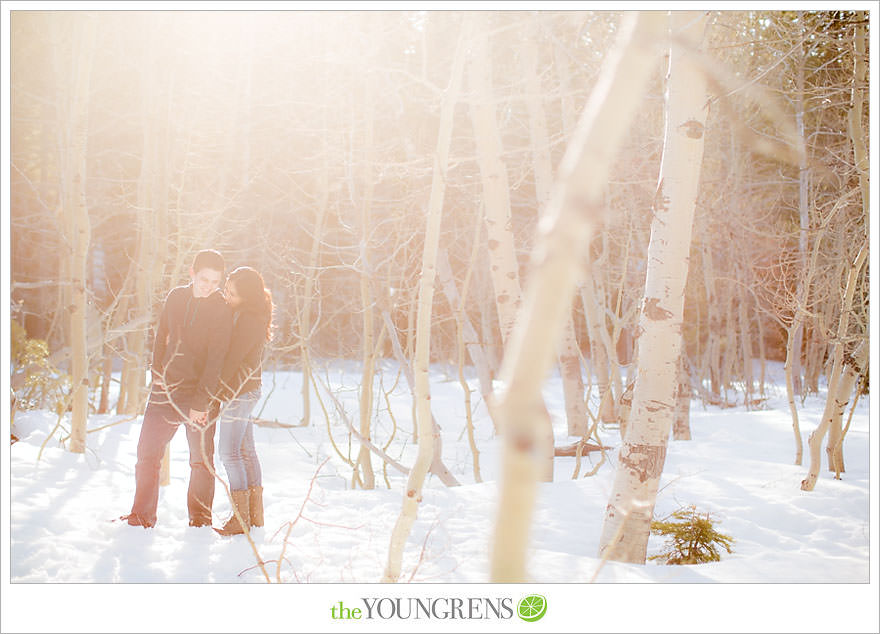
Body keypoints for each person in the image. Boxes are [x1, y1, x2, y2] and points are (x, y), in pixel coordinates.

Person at [122, 250, 232, 528]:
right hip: (165, 391)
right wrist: (157, 371)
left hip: (201, 394)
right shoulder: (176, 297)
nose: (208, 286)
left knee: (201, 461)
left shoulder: (222, 308)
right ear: (192, 273)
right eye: (204, 279)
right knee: (147, 453)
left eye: (215, 282)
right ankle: (141, 516)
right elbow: (161, 336)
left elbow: (216, 359)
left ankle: (200, 520)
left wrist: (201, 401)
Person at [214, 266, 273, 536]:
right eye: (226, 290)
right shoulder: (248, 314)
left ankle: (240, 519)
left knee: (229, 453)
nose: (227, 297)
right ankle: (254, 517)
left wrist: (218, 391)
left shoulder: (248, 319)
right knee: (246, 451)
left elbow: (233, 358)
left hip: (238, 391)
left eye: (232, 294)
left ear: (247, 297)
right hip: (246, 389)